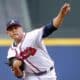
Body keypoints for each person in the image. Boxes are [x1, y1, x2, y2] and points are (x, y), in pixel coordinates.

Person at [6, 3, 71, 80]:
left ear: (21, 28)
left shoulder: (32, 36)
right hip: (30, 77)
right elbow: (19, 75)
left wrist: (61, 15)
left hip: (48, 74)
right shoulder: (11, 52)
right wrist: (16, 68)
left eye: (16, 28)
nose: (14, 31)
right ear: (7, 33)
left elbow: (51, 27)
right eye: (10, 29)